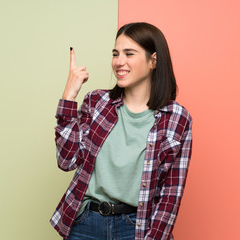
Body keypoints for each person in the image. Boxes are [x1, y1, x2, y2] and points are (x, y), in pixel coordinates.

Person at [50, 22, 193, 240]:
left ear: (153, 60)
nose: (119, 62)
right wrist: (69, 96)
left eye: (129, 53)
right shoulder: (97, 102)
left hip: (136, 228)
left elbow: (170, 195)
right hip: (86, 224)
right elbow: (66, 160)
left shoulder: (176, 118)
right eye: (115, 54)